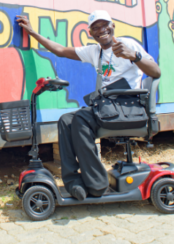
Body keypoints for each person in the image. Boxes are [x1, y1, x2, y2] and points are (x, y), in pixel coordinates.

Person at [18, 10, 160, 200]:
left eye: (104, 25)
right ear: (90, 33)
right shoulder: (95, 51)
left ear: (112, 26)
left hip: (128, 108)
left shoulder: (128, 45)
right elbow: (60, 50)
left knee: (81, 119)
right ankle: (73, 181)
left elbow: (156, 72)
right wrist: (32, 32)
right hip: (109, 107)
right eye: (96, 28)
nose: (101, 30)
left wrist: (134, 56)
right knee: (66, 120)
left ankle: (97, 183)